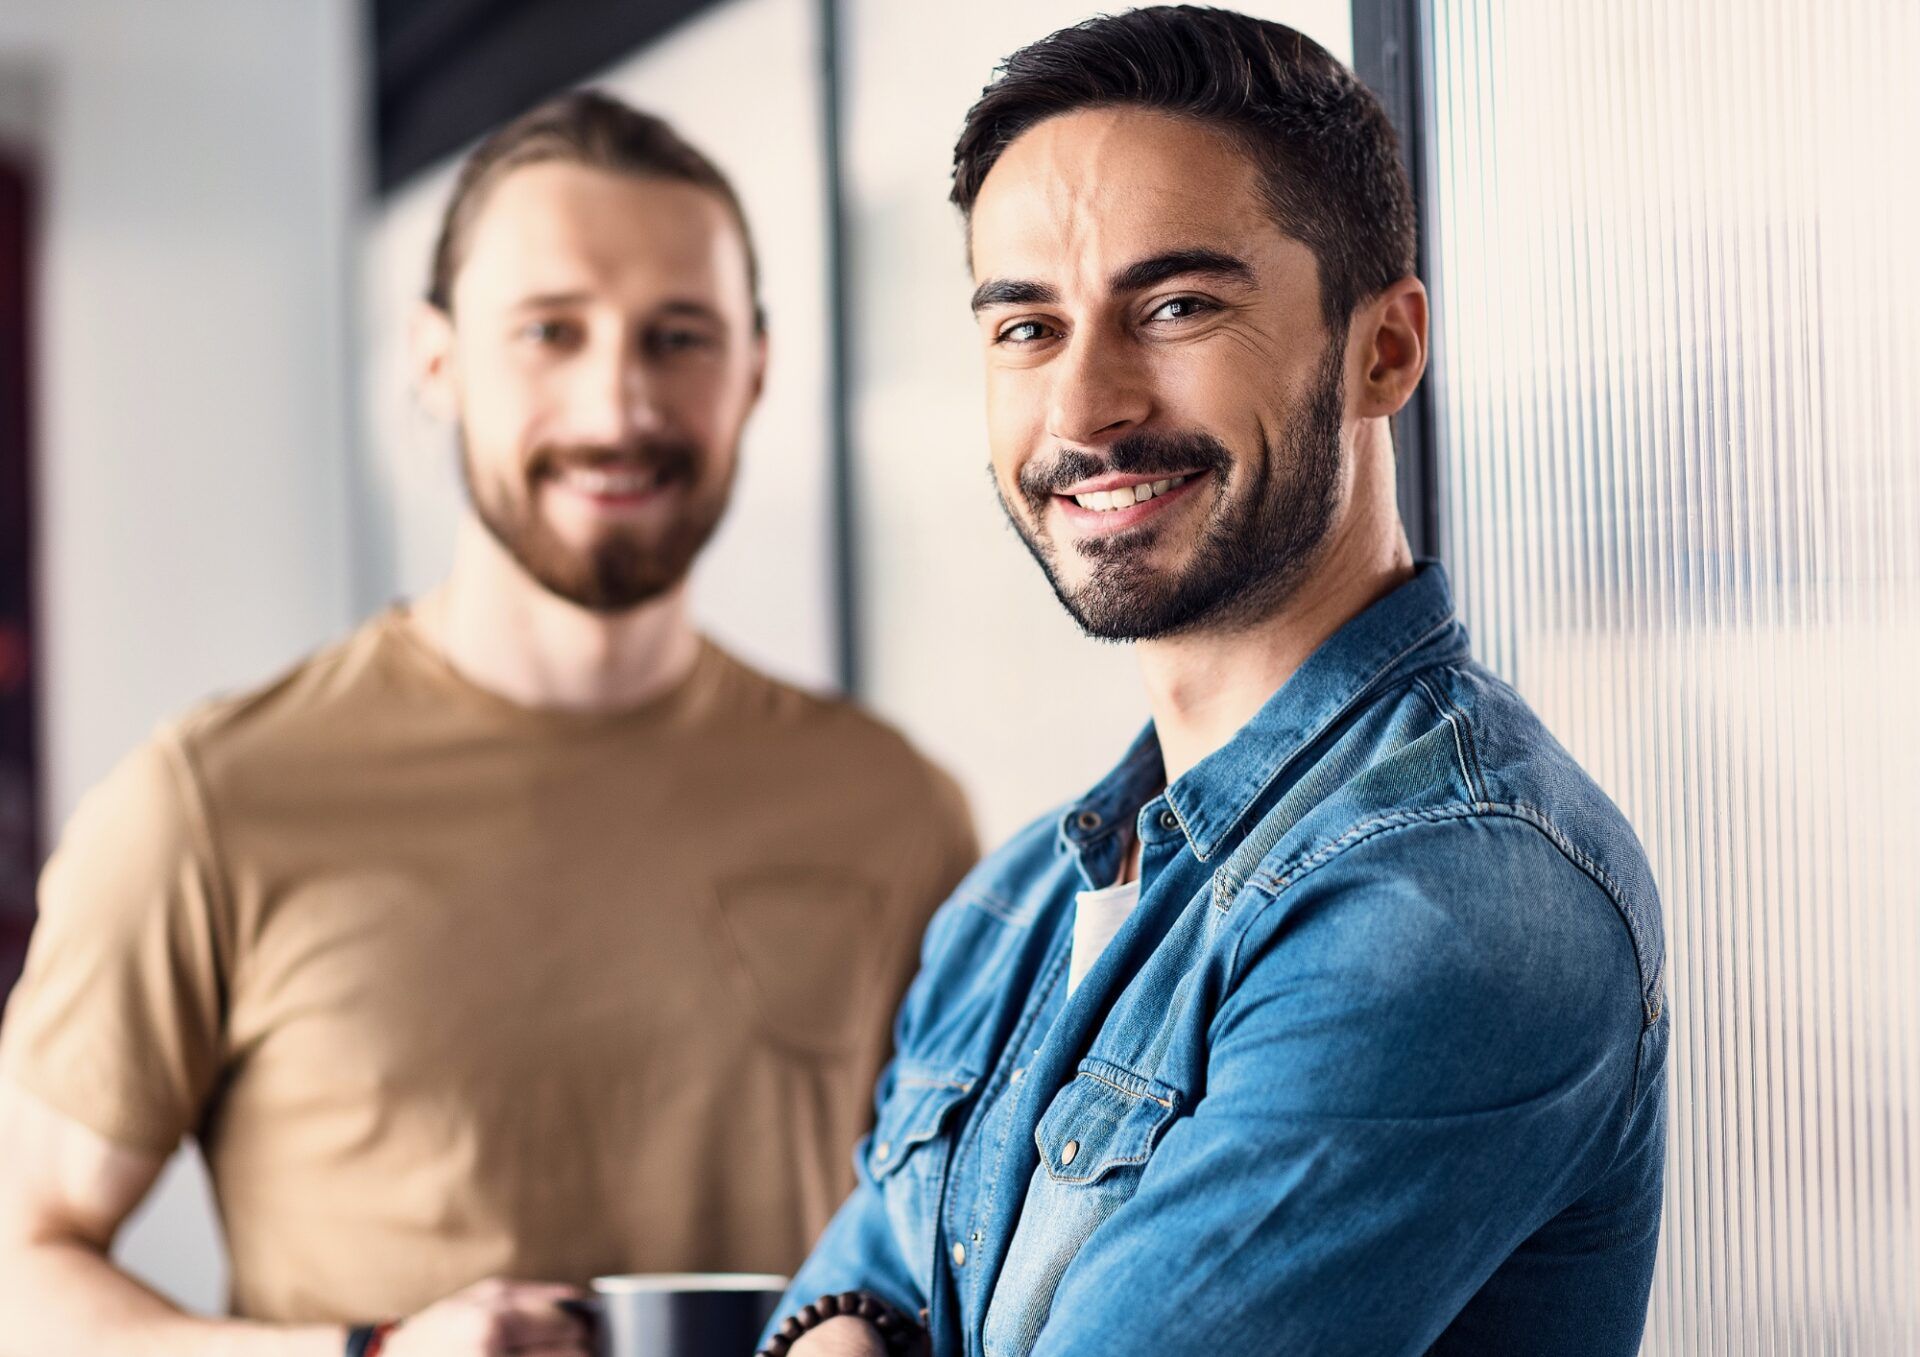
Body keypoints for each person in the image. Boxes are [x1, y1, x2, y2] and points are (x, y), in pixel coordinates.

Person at [0, 91, 975, 1357]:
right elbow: (21, 1266)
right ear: (436, 361)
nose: (618, 404)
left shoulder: (896, 805)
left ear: (757, 368)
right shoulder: (208, 799)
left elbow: (965, 1234)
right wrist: (369, 1352)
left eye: (677, 335)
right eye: (549, 332)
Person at [762, 10, 1667, 1357]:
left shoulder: (1455, 898)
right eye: (1026, 326)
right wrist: (843, 1322)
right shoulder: (1015, 903)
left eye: (1177, 306)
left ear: (1385, 349)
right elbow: (849, 1292)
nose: (1083, 409)